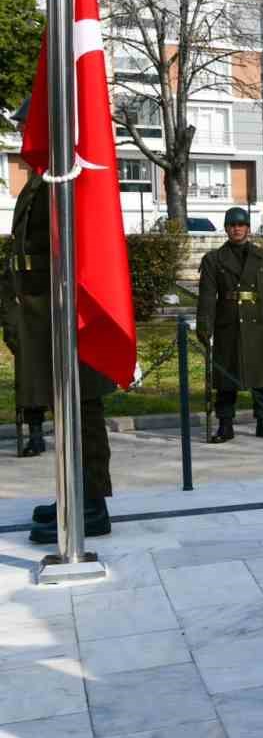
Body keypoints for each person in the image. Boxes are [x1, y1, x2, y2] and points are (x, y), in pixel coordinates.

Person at [3, 98, 117, 543]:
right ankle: (74, 493)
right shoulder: (42, 178)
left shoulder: (67, 176)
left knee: (83, 408)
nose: (22, 134)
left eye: (28, 126)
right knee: (65, 408)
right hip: (44, 315)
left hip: (70, 316)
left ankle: (92, 503)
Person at [197, 206, 263, 442]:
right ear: (226, 228)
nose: (236, 229)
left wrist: (255, 298)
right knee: (226, 376)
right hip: (227, 323)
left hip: (256, 322)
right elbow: (207, 296)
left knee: (260, 377)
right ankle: (225, 425)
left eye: (241, 225)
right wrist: (204, 324)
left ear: (248, 228)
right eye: (232, 225)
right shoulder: (213, 259)